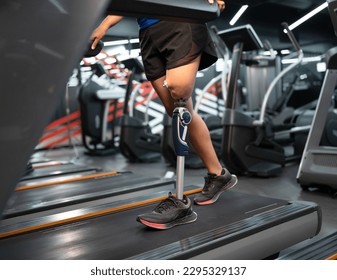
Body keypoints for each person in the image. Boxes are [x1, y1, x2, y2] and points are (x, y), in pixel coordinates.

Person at [91, 0, 237, 230]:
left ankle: (180, 203)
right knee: (179, 111)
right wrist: (103, 27)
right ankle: (219, 174)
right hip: (148, 32)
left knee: (179, 92)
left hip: (181, 18)